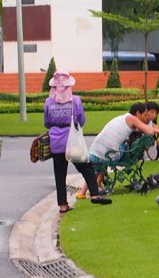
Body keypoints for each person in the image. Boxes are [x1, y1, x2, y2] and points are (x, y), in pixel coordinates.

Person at [44, 70, 112, 213]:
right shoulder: (75, 101)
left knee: (60, 174)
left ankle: (63, 205)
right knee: (86, 167)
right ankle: (94, 194)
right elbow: (82, 120)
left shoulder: (49, 102)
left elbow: (47, 122)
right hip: (72, 141)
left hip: (56, 142)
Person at [77, 102, 159, 197]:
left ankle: (83, 192)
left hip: (95, 151)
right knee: (123, 145)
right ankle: (92, 188)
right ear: (137, 113)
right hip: (109, 155)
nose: (145, 117)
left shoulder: (124, 118)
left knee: (96, 168)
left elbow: (143, 129)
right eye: (144, 115)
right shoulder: (132, 119)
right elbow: (149, 131)